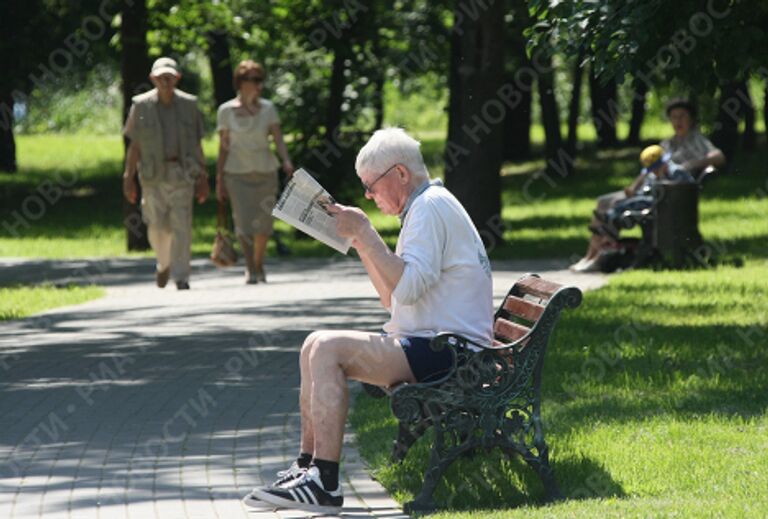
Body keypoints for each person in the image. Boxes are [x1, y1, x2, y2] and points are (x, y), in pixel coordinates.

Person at [242, 128, 494, 514]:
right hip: (437, 345)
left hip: (452, 353)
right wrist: (361, 242)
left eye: (371, 185)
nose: (368, 195)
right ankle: (308, 467)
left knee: (327, 347)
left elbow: (406, 291)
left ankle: (324, 481)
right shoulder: (426, 206)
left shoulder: (429, 209)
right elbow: (391, 299)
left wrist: (366, 231)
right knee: (314, 343)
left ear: (401, 174)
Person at [570, 98, 725, 273]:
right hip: (647, 188)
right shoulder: (667, 144)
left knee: (613, 205)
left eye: (682, 116)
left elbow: (718, 156)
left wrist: (692, 163)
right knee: (603, 202)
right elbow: (648, 168)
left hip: (668, 196)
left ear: (691, 119)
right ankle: (590, 255)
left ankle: (598, 257)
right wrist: (634, 186)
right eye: (674, 117)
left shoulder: (696, 140)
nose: (678, 121)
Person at [122, 56, 209, 290]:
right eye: (161, 77)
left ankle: (181, 276)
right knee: (157, 226)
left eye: (170, 77)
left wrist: (203, 176)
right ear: (153, 79)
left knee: (182, 225)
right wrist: (128, 177)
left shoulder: (190, 105)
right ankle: (164, 263)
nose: (166, 81)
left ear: (177, 78)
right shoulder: (141, 105)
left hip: (182, 172)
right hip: (152, 175)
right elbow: (135, 145)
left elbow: (198, 144)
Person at [215, 60, 294, 284]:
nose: (259, 84)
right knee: (243, 221)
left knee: (264, 223)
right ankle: (250, 268)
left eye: (260, 79)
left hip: (265, 171)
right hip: (236, 173)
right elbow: (223, 147)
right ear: (241, 83)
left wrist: (286, 160)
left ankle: (259, 262)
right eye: (254, 79)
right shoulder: (226, 110)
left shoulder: (268, 108)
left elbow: (277, 138)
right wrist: (219, 177)